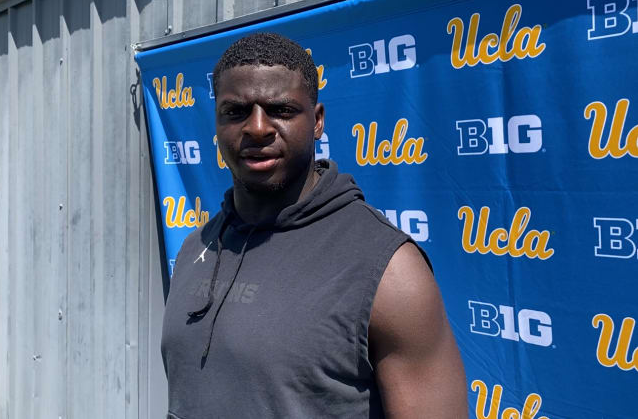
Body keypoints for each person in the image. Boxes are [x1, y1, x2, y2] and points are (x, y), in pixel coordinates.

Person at [161, 32, 467, 419]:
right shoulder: (198, 247)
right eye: (236, 112)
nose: (257, 128)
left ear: (318, 121)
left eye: (282, 110)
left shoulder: (387, 269)